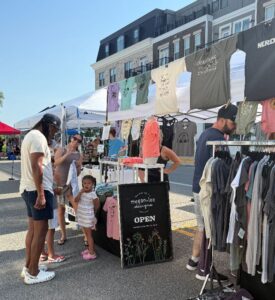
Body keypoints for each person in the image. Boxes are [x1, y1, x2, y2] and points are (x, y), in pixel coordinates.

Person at [186, 103, 238, 282]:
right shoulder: (217, 139)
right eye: (232, 123)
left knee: (202, 226)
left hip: (197, 186)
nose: (234, 127)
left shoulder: (205, 134)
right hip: (206, 189)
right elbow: (222, 167)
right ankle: (204, 270)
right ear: (222, 120)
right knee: (209, 229)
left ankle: (194, 260)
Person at [20, 113, 61, 284]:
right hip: (37, 190)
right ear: (48, 125)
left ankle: (29, 266)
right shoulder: (38, 137)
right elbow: (37, 166)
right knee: (40, 232)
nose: (54, 134)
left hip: (29, 189)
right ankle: (33, 272)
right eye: (54, 129)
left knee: (33, 231)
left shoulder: (30, 136)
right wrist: (42, 194)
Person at [54, 134, 83, 245]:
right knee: (61, 210)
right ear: (71, 138)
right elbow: (56, 163)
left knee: (77, 207)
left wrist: (79, 166)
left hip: (71, 185)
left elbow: (79, 172)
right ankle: (63, 235)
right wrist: (67, 154)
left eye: (79, 140)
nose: (76, 141)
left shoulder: (79, 155)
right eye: (74, 138)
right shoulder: (62, 149)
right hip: (60, 184)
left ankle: (85, 234)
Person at [40, 139, 66, 263]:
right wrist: (57, 189)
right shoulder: (48, 171)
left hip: (42, 201)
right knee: (50, 229)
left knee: (41, 228)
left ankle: (42, 253)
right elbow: (52, 189)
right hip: (50, 202)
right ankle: (51, 254)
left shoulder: (39, 166)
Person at [73, 175, 99, 260]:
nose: (86, 185)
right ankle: (89, 249)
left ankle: (92, 253)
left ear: (93, 184)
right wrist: (80, 193)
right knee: (86, 235)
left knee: (89, 235)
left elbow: (97, 204)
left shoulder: (93, 194)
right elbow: (75, 200)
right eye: (84, 183)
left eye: (89, 183)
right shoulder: (82, 193)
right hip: (82, 216)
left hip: (88, 217)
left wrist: (93, 213)